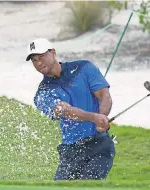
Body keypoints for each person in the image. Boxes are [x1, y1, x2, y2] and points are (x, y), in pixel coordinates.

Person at [26, 38, 115, 180]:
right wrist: (94, 117)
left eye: (41, 57)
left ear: (53, 52)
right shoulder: (42, 93)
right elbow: (65, 111)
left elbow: (105, 95)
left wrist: (102, 117)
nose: (38, 63)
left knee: (89, 184)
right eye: (34, 60)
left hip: (99, 145)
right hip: (71, 150)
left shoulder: (84, 67)